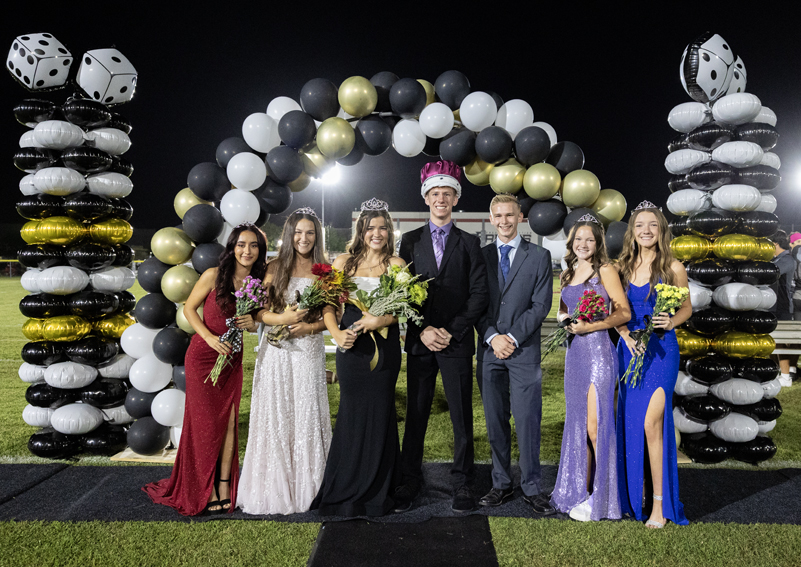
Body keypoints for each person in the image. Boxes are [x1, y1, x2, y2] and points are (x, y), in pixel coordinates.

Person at [143, 224, 268, 516]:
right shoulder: (213, 275)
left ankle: (224, 485)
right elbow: (189, 309)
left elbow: (256, 320)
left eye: (253, 246)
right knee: (204, 424)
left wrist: (255, 324)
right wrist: (209, 338)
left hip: (232, 358)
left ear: (260, 251)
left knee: (229, 423)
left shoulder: (258, 283)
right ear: (232, 247)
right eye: (241, 244)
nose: (246, 251)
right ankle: (205, 486)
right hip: (203, 356)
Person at [394, 160, 489, 514]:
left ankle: (462, 483)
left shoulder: (469, 242)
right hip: (421, 341)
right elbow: (400, 292)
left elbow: (479, 294)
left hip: (457, 342)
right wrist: (424, 329)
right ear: (426, 198)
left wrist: (451, 330)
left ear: (455, 197)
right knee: (416, 414)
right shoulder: (409, 241)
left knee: (461, 416)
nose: (441, 199)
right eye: (435, 193)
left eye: (447, 193)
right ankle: (410, 480)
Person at [310, 199, 405, 517]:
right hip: (351, 351)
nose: (376, 233)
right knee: (351, 414)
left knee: (380, 413)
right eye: (370, 227)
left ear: (388, 231)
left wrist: (381, 320)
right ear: (360, 231)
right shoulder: (343, 263)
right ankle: (346, 485)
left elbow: (402, 310)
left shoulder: (396, 265)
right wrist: (336, 334)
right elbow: (327, 306)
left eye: (382, 227)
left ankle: (379, 488)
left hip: (384, 353)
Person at [238, 208, 332, 515]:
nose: (303, 238)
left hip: (308, 350)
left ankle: (311, 487)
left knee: (306, 412)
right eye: (298, 232)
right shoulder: (274, 266)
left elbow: (334, 317)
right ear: (289, 234)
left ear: (317, 236)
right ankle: (273, 489)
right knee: (276, 412)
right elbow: (257, 312)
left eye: (310, 233)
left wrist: (308, 326)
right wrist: (282, 318)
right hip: (276, 352)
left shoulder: (325, 270)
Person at [474, 195, 554, 516]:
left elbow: (541, 305)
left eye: (510, 215)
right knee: (495, 421)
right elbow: (475, 305)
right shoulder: (479, 258)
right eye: (498, 215)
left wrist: (512, 337)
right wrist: (493, 337)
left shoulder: (539, 256)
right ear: (491, 219)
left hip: (524, 352)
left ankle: (532, 486)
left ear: (520, 217)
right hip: (490, 352)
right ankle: (501, 483)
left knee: (526, 421)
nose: (504, 221)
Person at [615, 201, 691, 528]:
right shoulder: (621, 267)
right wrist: (623, 333)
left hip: (661, 351)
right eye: (640, 225)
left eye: (653, 225)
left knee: (651, 425)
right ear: (632, 231)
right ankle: (638, 496)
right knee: (633, 426)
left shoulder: (673, 267)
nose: (646, 231)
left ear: (661, 230)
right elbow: (613, 309)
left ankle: (660, 505)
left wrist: (670, 321)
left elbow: (687, 309)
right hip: (630, 351)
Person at [550, 215, 630, 522]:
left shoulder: (605, 271)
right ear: (571, 242)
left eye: (590, 240)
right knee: (579, 427)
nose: (583, 244)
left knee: (597, 428)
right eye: (578, 239)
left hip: (599, 353)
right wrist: (568, 323)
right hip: (575, 356)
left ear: (598, 244)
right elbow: (562, 311)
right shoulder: (567, 273)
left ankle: (604, 496)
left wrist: (592, 325)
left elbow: (623, 311)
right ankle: (578, 491)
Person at [770, 230, 795, 388]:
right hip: (774, 306)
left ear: (775, 244)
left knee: (781, 341)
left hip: (782, 306)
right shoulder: (779, 258)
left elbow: (772, 272)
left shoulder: (786, 259)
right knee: (772, 341)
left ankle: (786, 376)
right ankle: (776, 372)